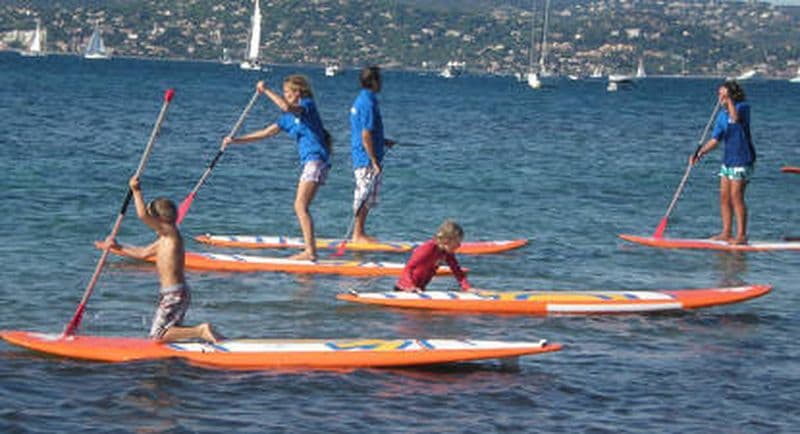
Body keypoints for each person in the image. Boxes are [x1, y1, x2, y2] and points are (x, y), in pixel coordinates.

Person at [97, 176, 221, 343]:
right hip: (175, 292)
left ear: (160, 220)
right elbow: (142, 253)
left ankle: (200, 330)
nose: (149, 221)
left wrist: (136, 191)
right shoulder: (164, 240)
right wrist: (116, 247)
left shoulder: (171, 234)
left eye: (151, 217)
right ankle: (197, 339)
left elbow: (142, 216)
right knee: (168, 332)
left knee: (157, 335)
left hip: (174, 294)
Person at [225, 76, 331, 261]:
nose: (285, 96)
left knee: (300, 206)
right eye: (285, 94)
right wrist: (236, 140)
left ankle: (310, 252)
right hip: (311, 162)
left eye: (288, 93)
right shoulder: (287, 120)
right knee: (302, 206)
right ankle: (310, 250)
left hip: (316, 160)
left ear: (297, 93)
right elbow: (265, 133)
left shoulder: (307, 106)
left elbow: (286, 107)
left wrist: (265, 90)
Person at [690, 80, 756, 245]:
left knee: (736, 196)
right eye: (719, 95)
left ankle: (741, 235)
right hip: (728, 160)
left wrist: (730, 101)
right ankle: (726, 232)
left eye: (723, 95)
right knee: (724, 196)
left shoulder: (742, 107)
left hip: (743, 158)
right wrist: (700, 153)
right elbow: (715, 139)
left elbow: (735, 118)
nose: (720, 98)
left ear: (732, 95)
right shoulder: (721, 115)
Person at [349, 66, 395, 244]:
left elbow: (367, 131)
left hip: (363, 154)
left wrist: (382, 141)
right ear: (374, 81)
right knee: (364, 195)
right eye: (380, 80)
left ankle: (359, 232)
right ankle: (357, 234)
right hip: (366, 157)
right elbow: (365, 134)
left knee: (367, 196)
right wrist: (374, 159)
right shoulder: (368, 102)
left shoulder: (363, 100)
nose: (382, 83)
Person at [394, 220, 471, 292]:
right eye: (457, 242)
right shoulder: (428, 248)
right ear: (447, 240)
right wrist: (410, 286)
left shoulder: (447, 253)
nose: (459, 245)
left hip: (419, 290)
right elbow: (408, 268)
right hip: (404, 290)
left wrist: (467, 288)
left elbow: (457, 271)